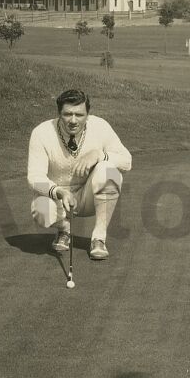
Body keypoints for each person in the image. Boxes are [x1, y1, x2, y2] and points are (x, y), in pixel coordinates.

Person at [28, 88, 132, 261]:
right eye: (68, 114)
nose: (73, 120)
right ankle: (64, 230)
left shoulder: (101, 126)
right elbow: (34, 176)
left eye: (79, 115)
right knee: (41, 210)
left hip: (88, 197)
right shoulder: (41, 133)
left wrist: (100, 155)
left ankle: (99, 238)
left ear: (88, 114)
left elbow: (127, 161)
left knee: (109, 170)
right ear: (59, 113)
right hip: (59, 200)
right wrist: (60, 192)